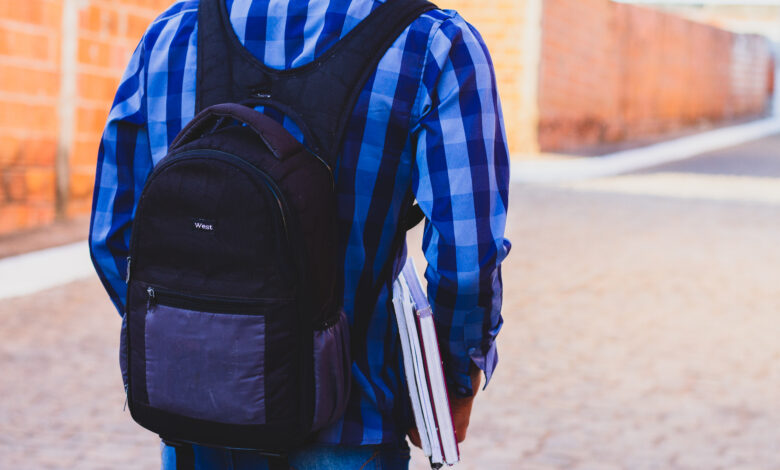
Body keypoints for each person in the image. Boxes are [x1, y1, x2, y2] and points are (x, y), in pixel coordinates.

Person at [89, 0, 510, 468]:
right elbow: (467, 260)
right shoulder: (434, 44)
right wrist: (448, 384)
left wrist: (198, 341)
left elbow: (113, 234)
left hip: (196, 427)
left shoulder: (170, 34)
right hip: (348, 424)